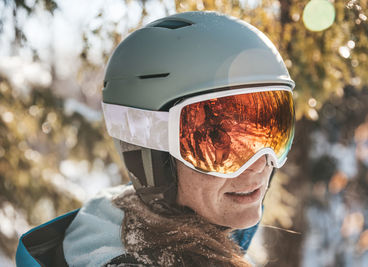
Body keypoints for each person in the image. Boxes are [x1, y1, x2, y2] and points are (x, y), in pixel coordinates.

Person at [16, 11, 295, 266]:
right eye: (218, 141)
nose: (260, 164)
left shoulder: (113, 215)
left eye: (270, 130)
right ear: (151, 150)